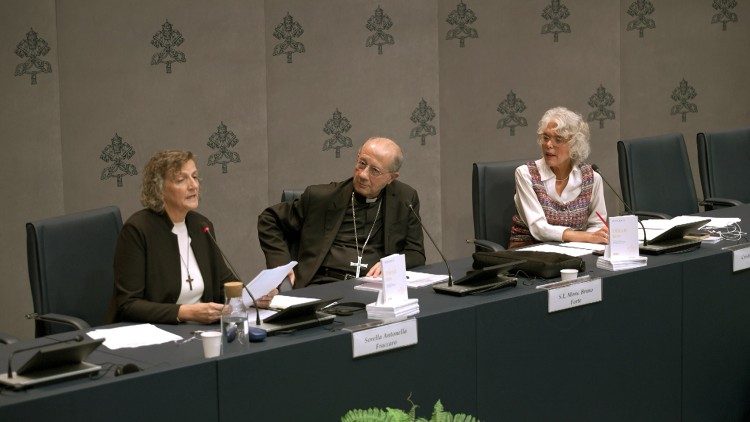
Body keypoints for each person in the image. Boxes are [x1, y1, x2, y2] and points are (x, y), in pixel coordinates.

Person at [110, 150, 275, 324]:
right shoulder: (138, 230)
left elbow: (222, 283)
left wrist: (253, 296)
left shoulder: (201, 226)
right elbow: (128, 305)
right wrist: (185, 312)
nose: (193, 185)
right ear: (159, 190)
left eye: (194, 177)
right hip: (158, 332)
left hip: (203, 330)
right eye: (181, 179)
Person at [258, 137, 426, 288]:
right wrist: (280, 266)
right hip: (323, 284)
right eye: (362, 163)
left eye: (375, 170)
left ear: (391, 178)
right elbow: (269, 219)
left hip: (376, 289)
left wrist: (392, 264)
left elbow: (416, 253)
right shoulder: (321, 197)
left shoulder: (405, 199)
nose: (363, 175)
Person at [509, 107, 609, 248]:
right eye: (546, 137)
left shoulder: (592, 178)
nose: (549, 145)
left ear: (575, 145)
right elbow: (539, 228)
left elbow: (597, 224)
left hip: (576, 252)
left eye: (558, 139)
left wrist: (591, 239)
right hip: (530, 253)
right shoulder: (525, 174)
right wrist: (585, 237)